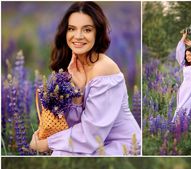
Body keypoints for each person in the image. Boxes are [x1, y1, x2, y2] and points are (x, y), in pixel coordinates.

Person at [30, 1, 141, 156]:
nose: (78, 36)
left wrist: (46, 144)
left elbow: (91, 135)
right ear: (65, 33)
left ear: (98, 32)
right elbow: (71, 126)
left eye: (87, 30)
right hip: (92, 143)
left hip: (120, 145)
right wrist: (78, 95)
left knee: (61, 154)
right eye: (71, 29)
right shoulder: (71, 66)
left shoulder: (103, 69)